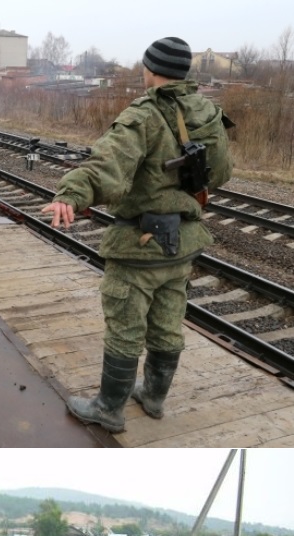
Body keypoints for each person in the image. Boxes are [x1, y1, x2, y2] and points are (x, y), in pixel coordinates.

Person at [42, 36, 234, 433]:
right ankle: (154, 397)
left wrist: (70, 194)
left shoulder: (144, 114)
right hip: (182, 243)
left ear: (150, 69)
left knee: (126, 328)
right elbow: (222, 172)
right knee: (167, 324)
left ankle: (109, 409)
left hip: (140, 247)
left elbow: (107, 168)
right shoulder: (207, 110)